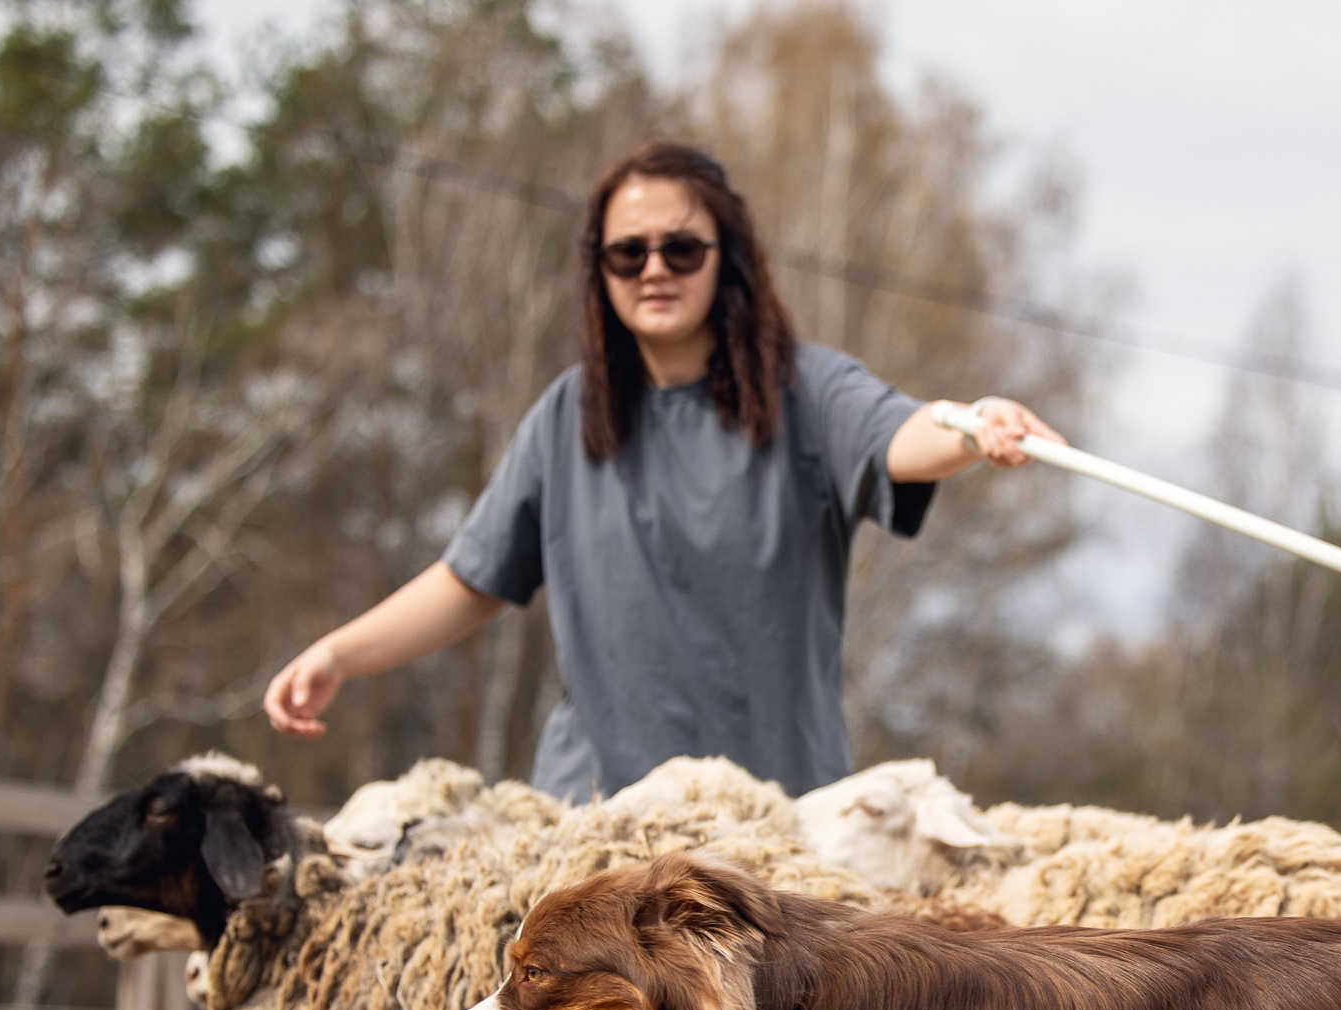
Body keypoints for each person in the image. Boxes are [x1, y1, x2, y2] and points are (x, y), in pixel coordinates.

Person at [262, 139, 1059, 800]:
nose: (654, 269)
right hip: (597, 832)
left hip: (778, 840)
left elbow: (903, 436)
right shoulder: (565, 417)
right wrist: (338, 654)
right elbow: (472, 579)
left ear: (725, 259)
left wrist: (972, 423)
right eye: (626, 252)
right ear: (598, 270)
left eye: (681, 248)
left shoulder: (809, 392)